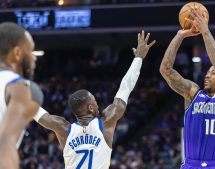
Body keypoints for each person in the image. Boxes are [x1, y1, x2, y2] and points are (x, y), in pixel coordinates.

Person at [33, 31, 155, 169]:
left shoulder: (63, 128)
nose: (98, 105)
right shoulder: (106, 121)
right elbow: (125, 87)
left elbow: (37, 112)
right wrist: (138, 58)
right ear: (90, 107)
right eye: (95, 102)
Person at [160, 7, 215, 169]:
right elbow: (165, 70)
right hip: (190, 165)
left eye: (212, 73)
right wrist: (179, 36)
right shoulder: (192, 93)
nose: (207, 75)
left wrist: (205, 31)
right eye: (207, 72)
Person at [0, 22, 43, 168]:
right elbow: (5, 142)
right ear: (17, 53)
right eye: (31, 51)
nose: (34, 58)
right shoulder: (21, 88)